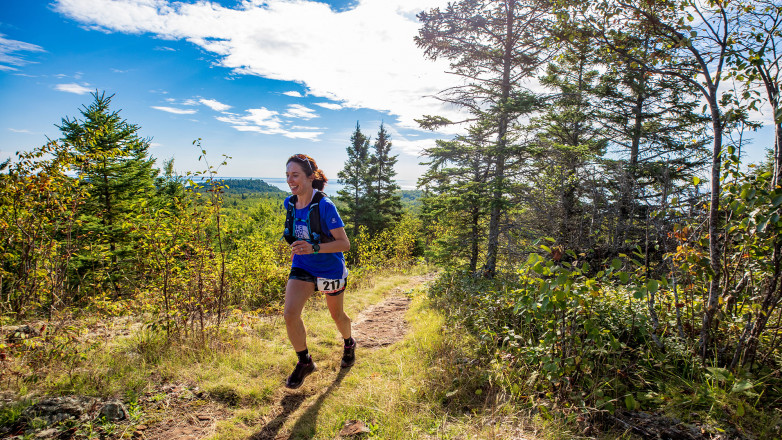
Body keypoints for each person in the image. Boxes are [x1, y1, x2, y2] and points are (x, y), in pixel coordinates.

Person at [282, 153, 355, 389]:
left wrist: (313, 247)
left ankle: (348, 342)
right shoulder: (289, 204)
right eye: (287, 175)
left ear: (310, 177)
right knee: (290, 314)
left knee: (337, 316)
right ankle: (305, 362)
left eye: (295, 175)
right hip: (303, 265)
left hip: (329, 269)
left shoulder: (325, 205)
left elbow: (344, 244)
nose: (290, 180)